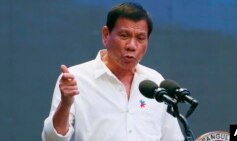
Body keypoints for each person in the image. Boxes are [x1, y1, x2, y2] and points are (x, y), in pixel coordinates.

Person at [42, 2, 184, 141]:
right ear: (106, 35)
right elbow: (52, 139)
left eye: (140, 38)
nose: (132, 46)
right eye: (124, 36)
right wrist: (65, 104)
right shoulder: (76, 79)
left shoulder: (156, 82)